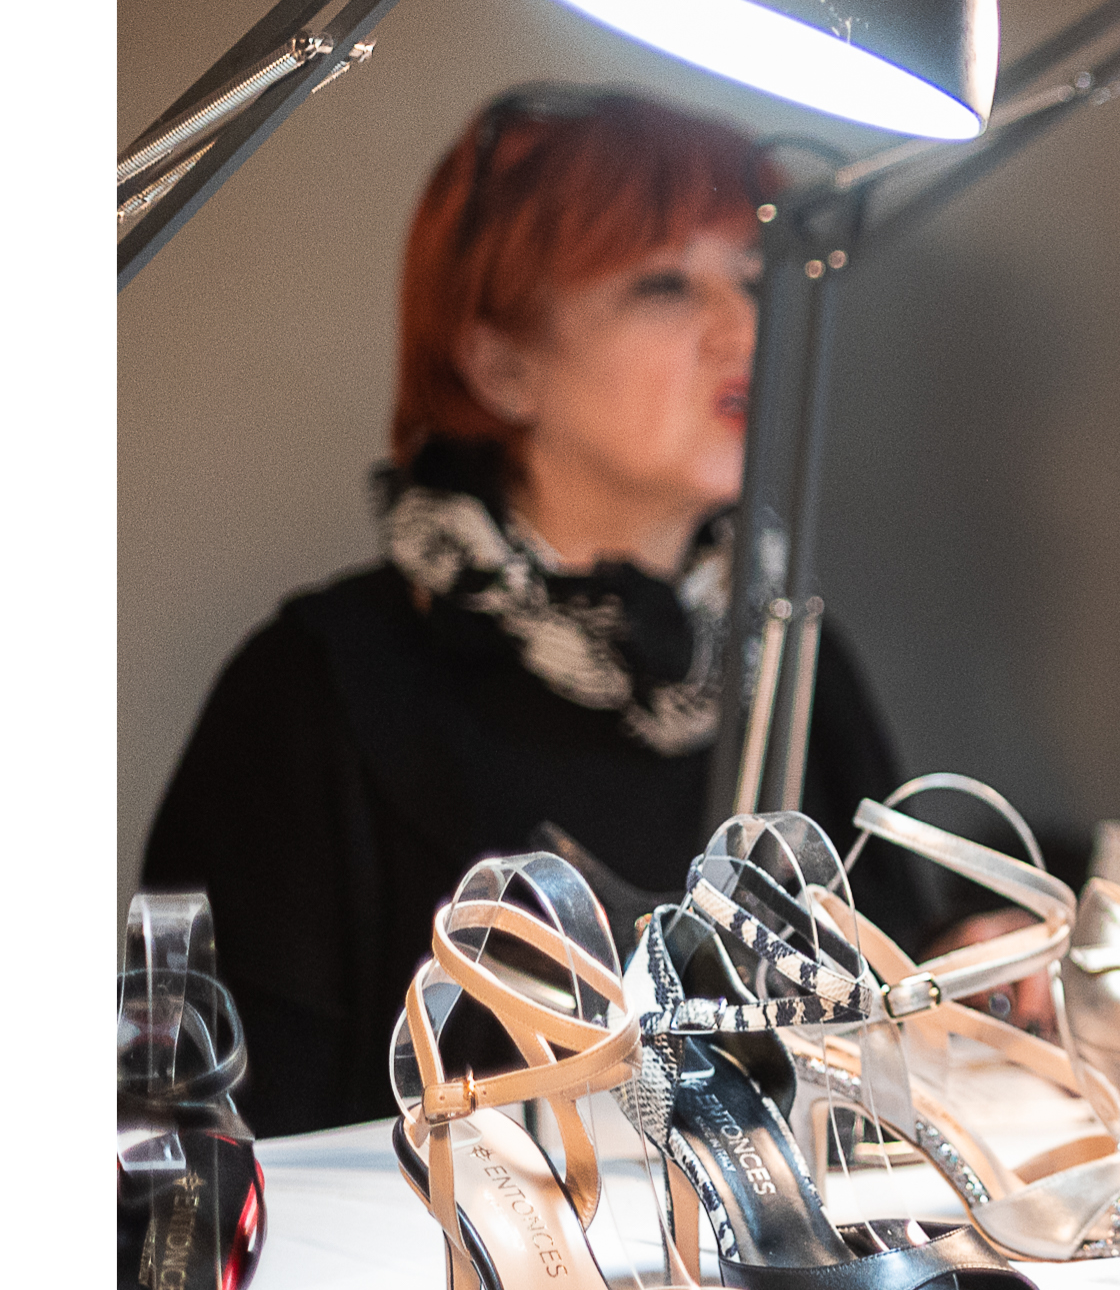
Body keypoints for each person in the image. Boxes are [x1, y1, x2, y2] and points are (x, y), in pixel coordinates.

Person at [141, 88, 927, 1138]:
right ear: (501, 363)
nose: (745, 328)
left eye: (751, 278)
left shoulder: (788, 662)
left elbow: (894, 1030)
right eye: (664, 284)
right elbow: (208, 1147)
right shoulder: (314, 690)